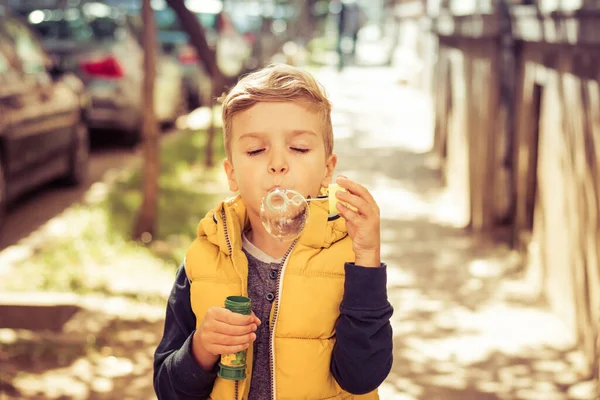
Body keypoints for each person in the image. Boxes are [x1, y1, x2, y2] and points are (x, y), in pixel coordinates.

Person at [153, 64, 393, 399]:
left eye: (299, 148)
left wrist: (367, 259)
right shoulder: (202, 262)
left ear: (327, 169)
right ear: (232, 172)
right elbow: (168, 389)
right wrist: (201, 348)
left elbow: (362, 377)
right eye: (255, 150)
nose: (278, 163)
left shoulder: (349, 261)